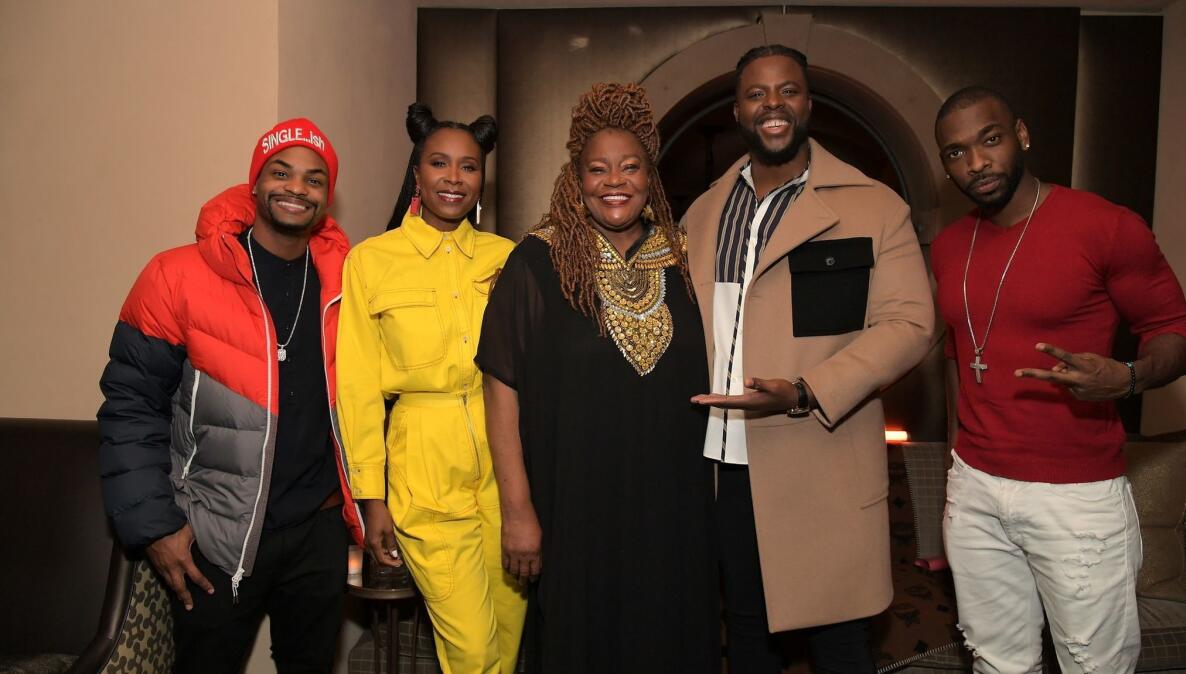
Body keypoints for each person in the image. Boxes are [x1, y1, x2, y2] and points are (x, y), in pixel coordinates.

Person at [931, 86, 1186, 673]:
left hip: (1074, 495)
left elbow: (1179, 330)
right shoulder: (950, 246)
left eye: (990, 140)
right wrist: (957, 462)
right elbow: (958, 353)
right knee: (996, 663)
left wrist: (1129, 377)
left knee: (1093, 666)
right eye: (955, 153)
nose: (975, 163)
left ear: (1021, 135)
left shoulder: (1104, 225)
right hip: (975, 489)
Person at [685, 45, 935, 672]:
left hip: (821, 454)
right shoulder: (703, 211)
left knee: (840, 641)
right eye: (756, 93)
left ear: (808, 102)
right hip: (727, 464)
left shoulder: (874, 206)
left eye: (787, 90)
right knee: (745, 632)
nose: (773, 105)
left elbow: (909, 324)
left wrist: (805, 390)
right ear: (738, 109)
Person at [97, 118, 364, 673]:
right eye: (281, 172)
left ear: (327, 194)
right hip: (215, 533)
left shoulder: (349, 279)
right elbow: (129, 405)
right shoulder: (177, 275)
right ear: (255, 181)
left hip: (319, 528)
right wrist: (158, 528)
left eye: (315, 179)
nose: (297, 188)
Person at [476, 82, 721, 674]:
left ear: (650, 177)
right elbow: (500, 387)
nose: (615, 181)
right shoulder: (536, 262)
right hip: (573, 510)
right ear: (575, 178)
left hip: (674, 510)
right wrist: (517, 510)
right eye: (598, 169)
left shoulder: (690, 260)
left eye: (631, 167)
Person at [336, 103, 526, 674]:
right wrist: (372, 499)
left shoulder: (509, 258)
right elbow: (357, 387)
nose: (454, 177)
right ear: (416, 175)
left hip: (506, 468)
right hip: (422, 466)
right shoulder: (371, 261)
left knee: (508, 643)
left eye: (468, 167)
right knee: (470, 650)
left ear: (482, 179)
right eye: (439, 164)